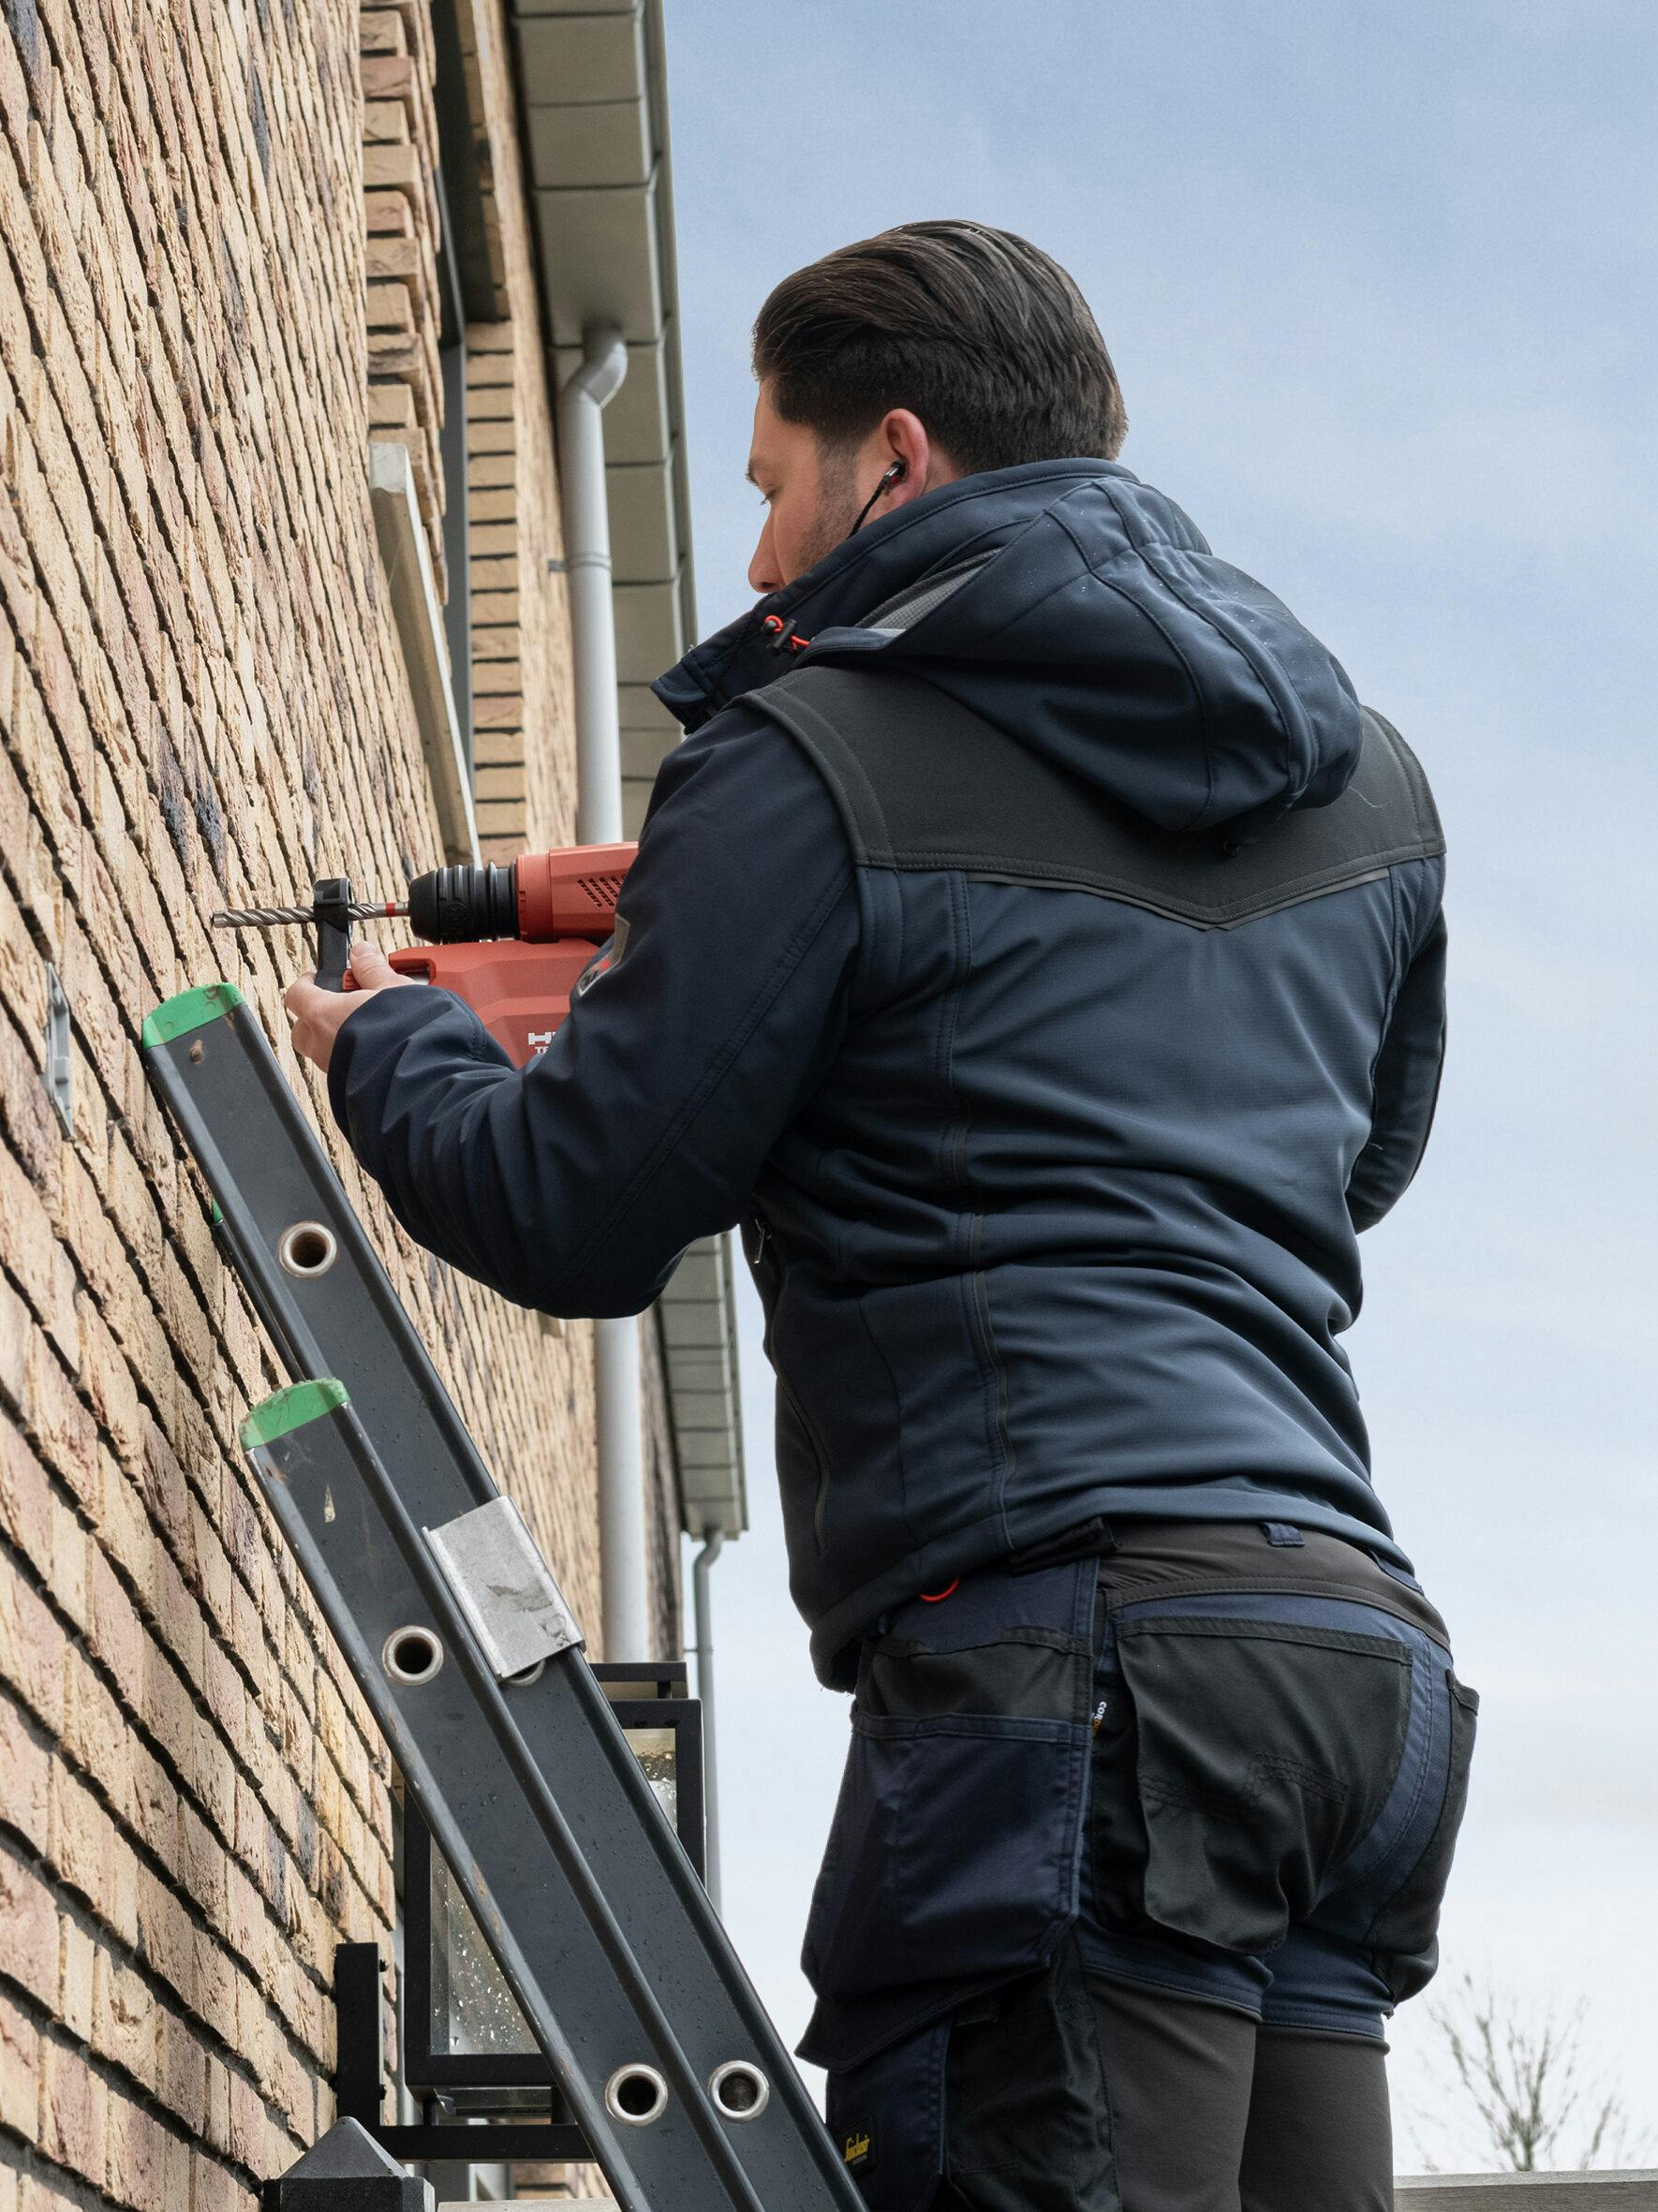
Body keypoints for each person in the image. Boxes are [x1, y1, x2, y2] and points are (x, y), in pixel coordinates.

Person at [287, 222, 1474, 2212]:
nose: (759, 562)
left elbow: (580, 1209)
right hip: (1347, 1667)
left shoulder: (808, 751)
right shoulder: (1371, 790)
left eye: (769, 487)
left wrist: (389, 1046)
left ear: (895, 459)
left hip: (1075, 1688)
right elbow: (1342, 1167)